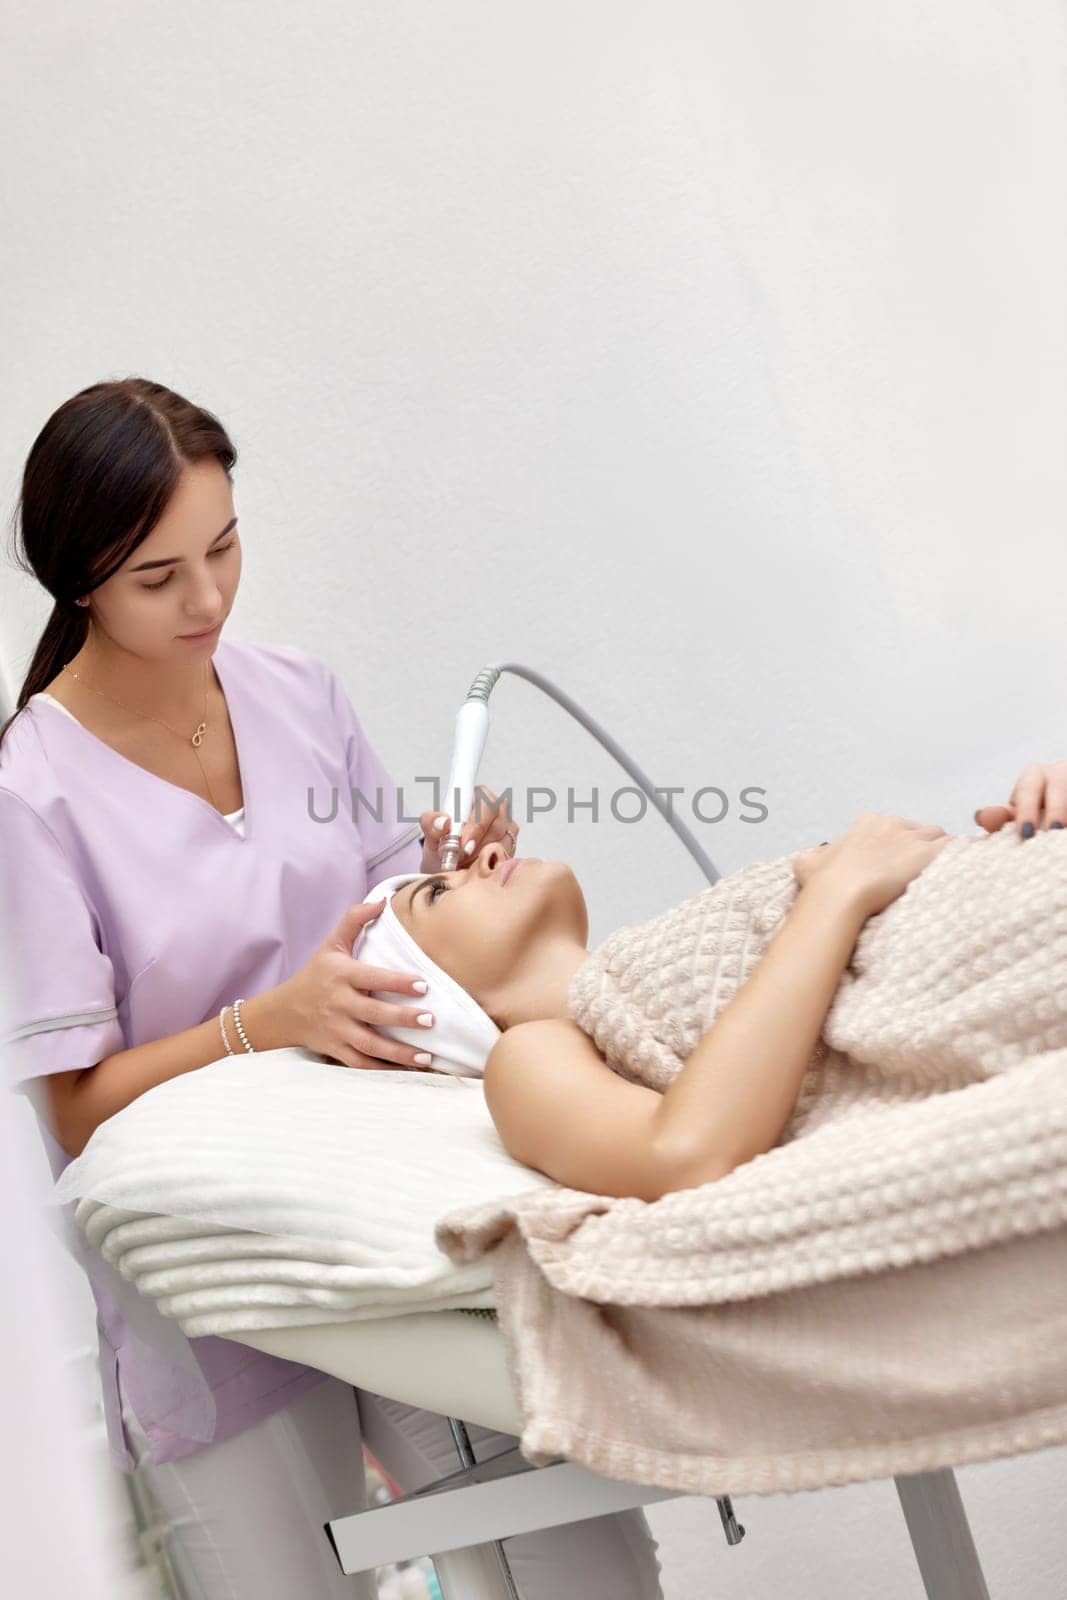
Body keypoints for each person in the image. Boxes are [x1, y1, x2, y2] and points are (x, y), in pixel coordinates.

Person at [0, 377, 665, 1599]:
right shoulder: (32, 792)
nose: (206, 598)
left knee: (581, 1562)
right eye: (158, 577)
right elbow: (78, 1110)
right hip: (212, 1289)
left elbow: (384, 931)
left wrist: (444, 878)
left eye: (225, 545)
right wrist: (264, 1026)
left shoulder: (294, 690)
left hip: (391, 1230)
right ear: (79, 581)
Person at [362, 763, 1066, 1204]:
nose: (484, 854)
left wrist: (1023, 840)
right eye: (437, 893)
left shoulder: (658, 957)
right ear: (436, 1005)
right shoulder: (527, 1059)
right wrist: (840, 889)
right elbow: (685, 1157)